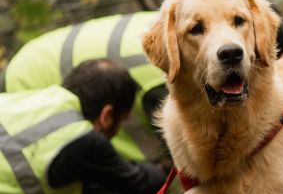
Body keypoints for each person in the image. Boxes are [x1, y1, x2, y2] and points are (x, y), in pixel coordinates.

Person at [0, 59, 168, 194]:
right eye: (120, 122)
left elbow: (90, 191)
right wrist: (166, 171)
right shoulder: (83, 138)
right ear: (107, 115)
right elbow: (136, 179)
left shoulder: (40, 99)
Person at [1, 12, 168, 164]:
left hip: (33, 60)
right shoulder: (161, 82)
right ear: (106, 116)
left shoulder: (176, 20)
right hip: (25, 84)